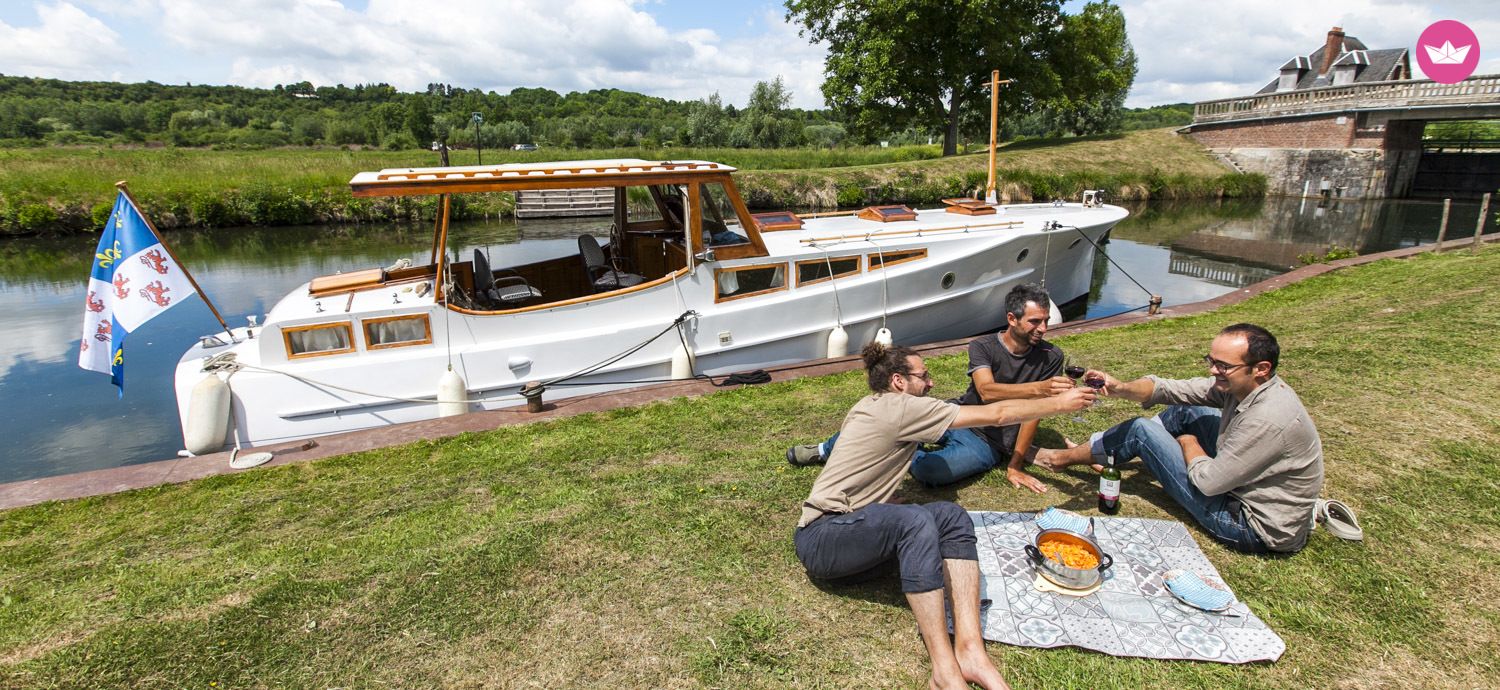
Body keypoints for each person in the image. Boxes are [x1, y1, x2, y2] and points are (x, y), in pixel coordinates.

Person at [794, 343, 1093, 690]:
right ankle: (944, 671)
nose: (931, 382)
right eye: (924, 376)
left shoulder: (874, 404)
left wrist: (877, 507)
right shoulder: (902, 407)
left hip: (851, 535)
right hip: (822, 539)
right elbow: (997, 414)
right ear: (898, 381)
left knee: (951, 515)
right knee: (913, 519)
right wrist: (1058, 404)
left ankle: (971, 652)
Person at [1035, 323, 1324, 553]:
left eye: (1223, 366)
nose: (1213, 370)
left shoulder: (1267, 419)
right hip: (1243, 488)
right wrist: (1121, 387)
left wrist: (1188, 443)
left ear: (1261, 369)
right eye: (1212, 361)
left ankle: (1059, 459)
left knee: (1141, 431)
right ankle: (1108, 452)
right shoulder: (1247, 387)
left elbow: (1208, 482)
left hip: (1248, 524)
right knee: (1185, 410)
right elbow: (1170, 389)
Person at [787, 283, 1074, 492]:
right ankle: (825, 449)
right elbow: (987, 391)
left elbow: (1034, 415)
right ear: (1012, 319)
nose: (1043, 328)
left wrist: (1015, 464)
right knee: (882, 420)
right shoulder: (983, 346)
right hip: (959, 414)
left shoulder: (1052, 357)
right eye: (1035, 321)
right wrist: (1041, 389)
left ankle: (904, 447)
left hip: (989, 441)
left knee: (930, 472)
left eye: (1046, 321)